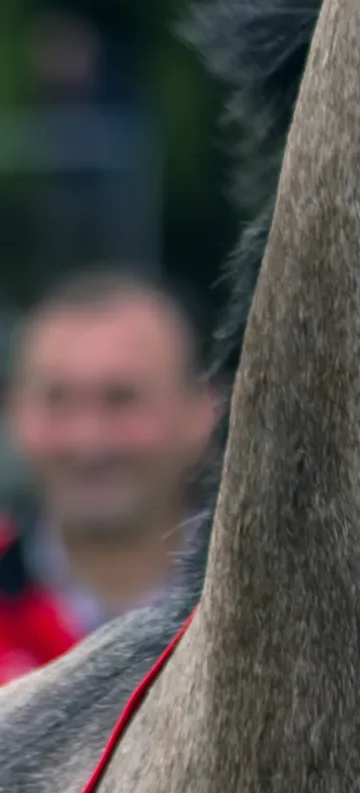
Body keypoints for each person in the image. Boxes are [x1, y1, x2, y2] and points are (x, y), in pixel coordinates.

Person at [0, 270, 219, 683]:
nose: (88, 440)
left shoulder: (265, 607)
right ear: (16, 413)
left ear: (203, 413)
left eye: (121, 399)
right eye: (58, 400)